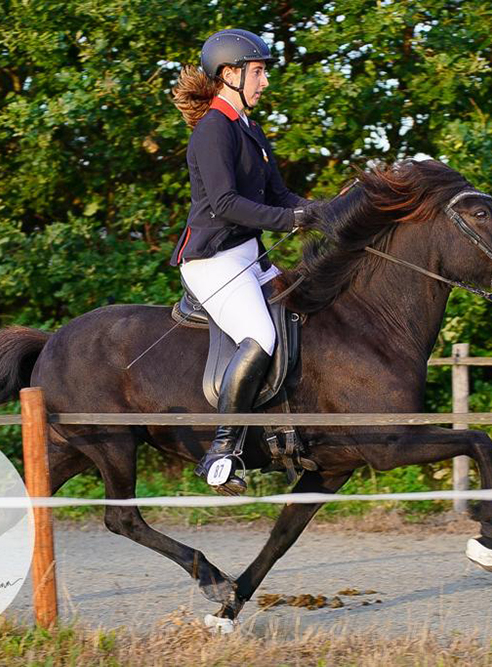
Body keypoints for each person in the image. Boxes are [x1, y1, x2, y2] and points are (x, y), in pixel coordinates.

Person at [171, 28, 317, 494]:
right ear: (229, 74)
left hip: (248, 257)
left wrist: (328, 212)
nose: (265, 82)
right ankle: (223, 449)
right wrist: (291, 218)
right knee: (261, 335)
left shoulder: (250, 130)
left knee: (304, 311)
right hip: (213, 261)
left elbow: (280, 195)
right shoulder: (213, 130)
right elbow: (227, 203)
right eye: (258, 72)